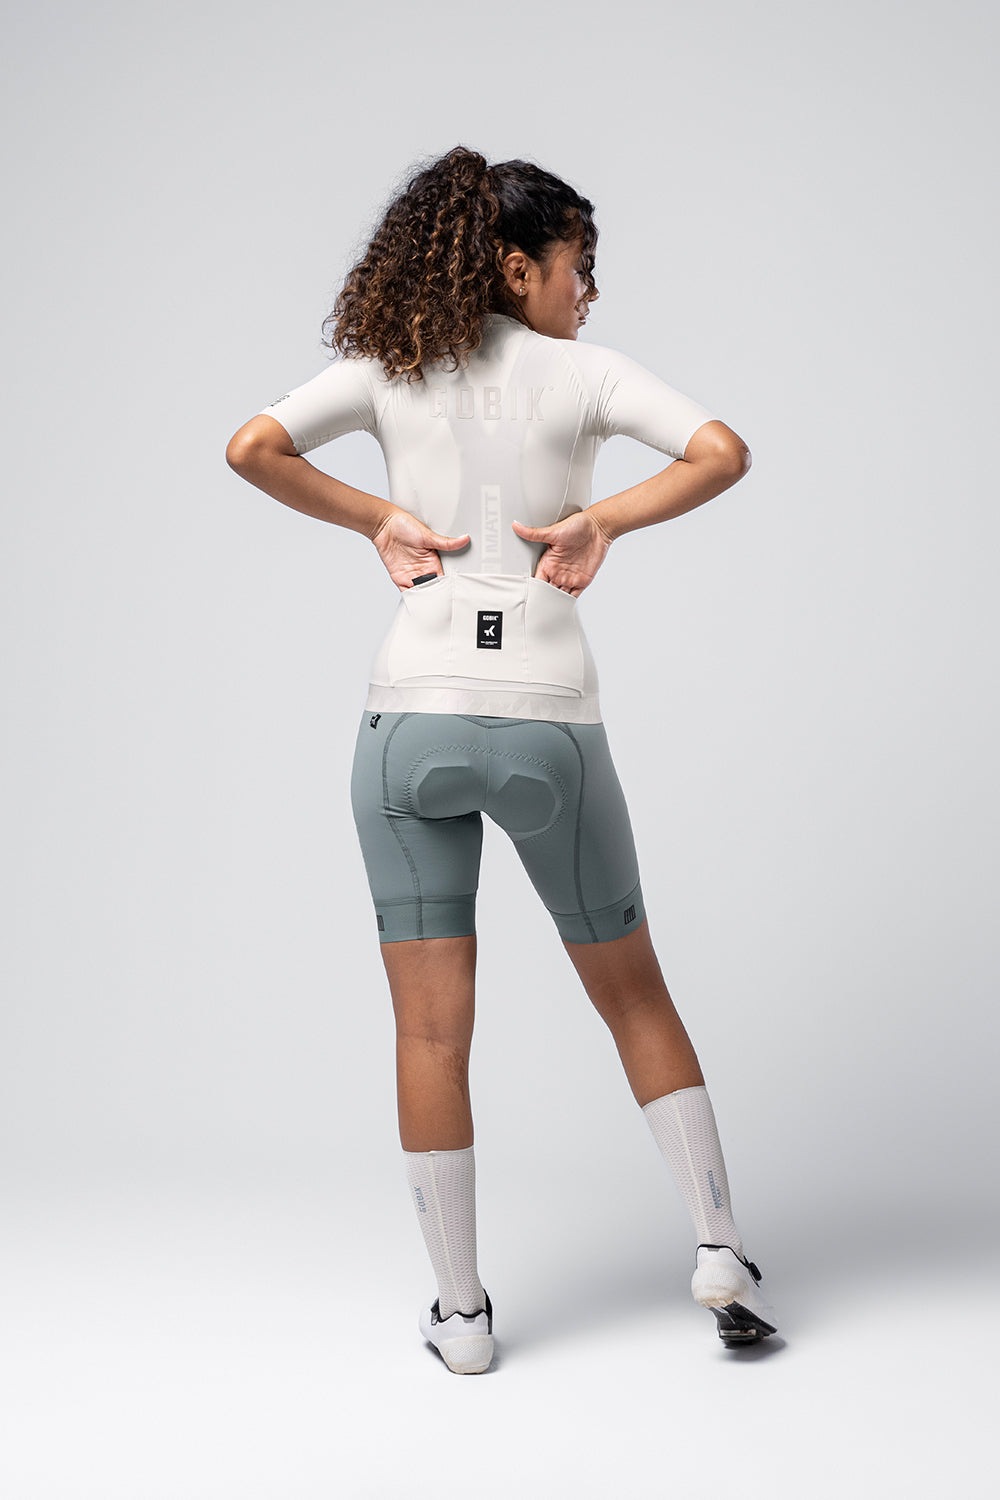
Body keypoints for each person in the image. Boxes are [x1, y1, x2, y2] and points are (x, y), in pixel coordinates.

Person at [226, 145, 778, 1375]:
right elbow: (722, 452)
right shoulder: (586, 373)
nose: (590, 290)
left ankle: (462, 1318)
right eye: (580, 264)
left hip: (407, 723)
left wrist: (378, 518)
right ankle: (718, 1251)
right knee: (633, 994)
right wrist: (598, 521)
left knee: (430, 1037)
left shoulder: (387, 367)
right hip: (547, 722)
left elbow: (252, 446)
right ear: (519, 268)